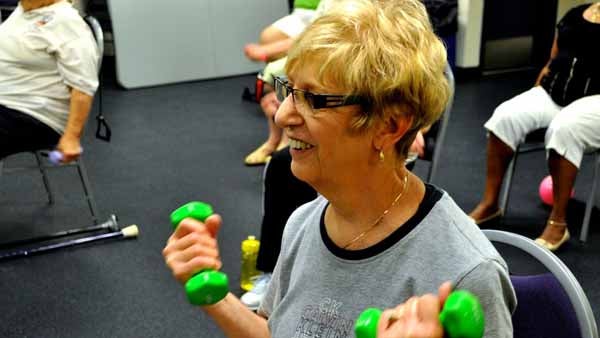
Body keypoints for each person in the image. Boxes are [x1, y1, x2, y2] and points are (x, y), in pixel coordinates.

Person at [163, 1, 516, 337]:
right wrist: (212, 292)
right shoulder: (304, 222)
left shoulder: (466, 273)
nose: (283, 114)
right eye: (289, 90)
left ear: (388, 127)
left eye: (314, 99)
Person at [468, 2, 600, 251]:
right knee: (505, 116)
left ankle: (558, 222)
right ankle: (490, 204)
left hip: (595, 101)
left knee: (565, 127)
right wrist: (535, 90)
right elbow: (553, 59)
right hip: (555, 92)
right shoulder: (575, 14)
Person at [0, 0, 99, 162]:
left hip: (34, 114)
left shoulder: (66, 21)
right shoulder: (23, 10)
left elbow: (83, 87)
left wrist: (72, 137)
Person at [243, 0, 320, 63]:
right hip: (302, 11)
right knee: (269, 37)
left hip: (326, 12)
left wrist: (267, 50)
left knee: (319, 36)